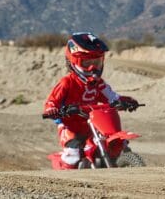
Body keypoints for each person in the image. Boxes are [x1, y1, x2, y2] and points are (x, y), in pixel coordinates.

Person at [42, 32, 140, 169]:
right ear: (73, 61)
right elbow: (52, 101)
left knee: (113, 142)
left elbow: (113, 97)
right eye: (87, 63)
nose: (92, 68)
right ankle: (66, 178)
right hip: (70, 126)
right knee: (74, 154)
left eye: (96, 62)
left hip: (95, 124)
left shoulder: (99, 84)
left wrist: (126, 101)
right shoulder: (67, 83)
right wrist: (52, 110)